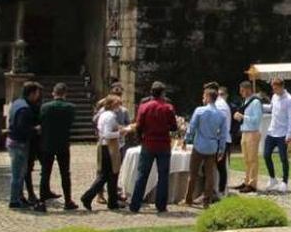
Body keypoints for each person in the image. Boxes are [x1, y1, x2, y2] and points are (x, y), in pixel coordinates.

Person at [129, 81, 178, 213]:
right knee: (163, 176)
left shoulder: (144, 107)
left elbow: (138, 126)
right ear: (162, 93)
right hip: (163, 144)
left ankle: (135, 204)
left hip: (148, 143)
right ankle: (161, 205)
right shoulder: (168, 108)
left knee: (142, 175)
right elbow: (174, 126)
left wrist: (140, 139)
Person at [183, 87, 229, 207]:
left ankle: (188, 199)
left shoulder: (199, 111)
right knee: (210, 175)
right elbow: (223, 134)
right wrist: (221, 149)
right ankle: (206, 201)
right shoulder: (221, 115)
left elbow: (192, 128)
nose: (202, 98)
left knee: (193, 173)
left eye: (204, 96)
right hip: (212, 146)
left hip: (199, 145)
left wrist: (186, 140)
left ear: (208, 97)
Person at [81, 96, 128, 210]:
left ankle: (112, 202)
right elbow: (107, 134)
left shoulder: (105, 114)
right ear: (111, 104)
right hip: (108, 146)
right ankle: (88, 196)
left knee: (112, 175)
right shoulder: (109, 116)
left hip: (107, 146)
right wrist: (121, 132)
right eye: (117, 104)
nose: (119, 106)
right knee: (106, 175)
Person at [39, 82, 77, 210]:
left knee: (45, 173)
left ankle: (42, 202)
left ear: (53, 93)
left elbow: (41, 121)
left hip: (47, 143)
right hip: (63, 143)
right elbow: (71, 123)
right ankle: (68, 200)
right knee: (65, 173)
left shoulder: (45, 107)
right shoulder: (70, 107)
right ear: (65, 93)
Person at [7, 82, 43, 210]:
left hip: (13, 141)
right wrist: (36, 129)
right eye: (37, 93)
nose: (38, 96)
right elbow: (23, 128)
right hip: (19, 143)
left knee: (20, 173)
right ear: (32, 93)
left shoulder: (17, 103)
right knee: (18, 174)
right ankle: (14, 200)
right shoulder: (25, 109)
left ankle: (19, 197)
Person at [262, 78, 291, 193]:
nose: (273, 90)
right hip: (272, 131)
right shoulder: (274, 97)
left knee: (283, 158)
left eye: (275, 88)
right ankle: (272, 179)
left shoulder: (290, 99)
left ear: (281, 86)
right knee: (266, 155)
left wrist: (289, 134)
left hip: (283, 133)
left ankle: (285, 181)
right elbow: (272, 108)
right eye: (273, 88)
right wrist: (260, 106)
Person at [232, 81, 262, 193]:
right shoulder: (246, 101)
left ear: (248, 89)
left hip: (253, 132)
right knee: (246, 159)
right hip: (245, 132)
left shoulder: (255, 102)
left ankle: (252, 184)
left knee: (252, 159)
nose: (241, 93)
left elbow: (257, 120)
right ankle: (246, 181)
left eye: (242, 90)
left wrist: (243, 116)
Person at [214, 86, 232, 196]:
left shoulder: (221, 106)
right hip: (223, 139)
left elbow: (221, 126)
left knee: (220, 167)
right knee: (220, 166)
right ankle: (221, 189)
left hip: (222, 139)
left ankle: (221, 190)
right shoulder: (222, 105)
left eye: (221, 94)